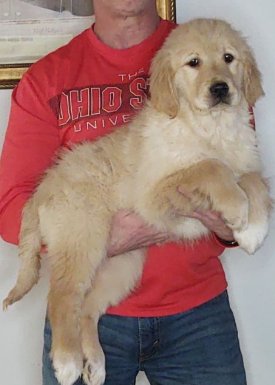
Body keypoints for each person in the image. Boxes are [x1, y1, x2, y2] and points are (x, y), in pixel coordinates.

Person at [0, 1, 247, 384]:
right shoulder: (47, 79)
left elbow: (238, 169)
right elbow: (13, 208)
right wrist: (104, 238)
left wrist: (232, 225)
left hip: (198, 313)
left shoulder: (206, 50)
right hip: (93, 306)